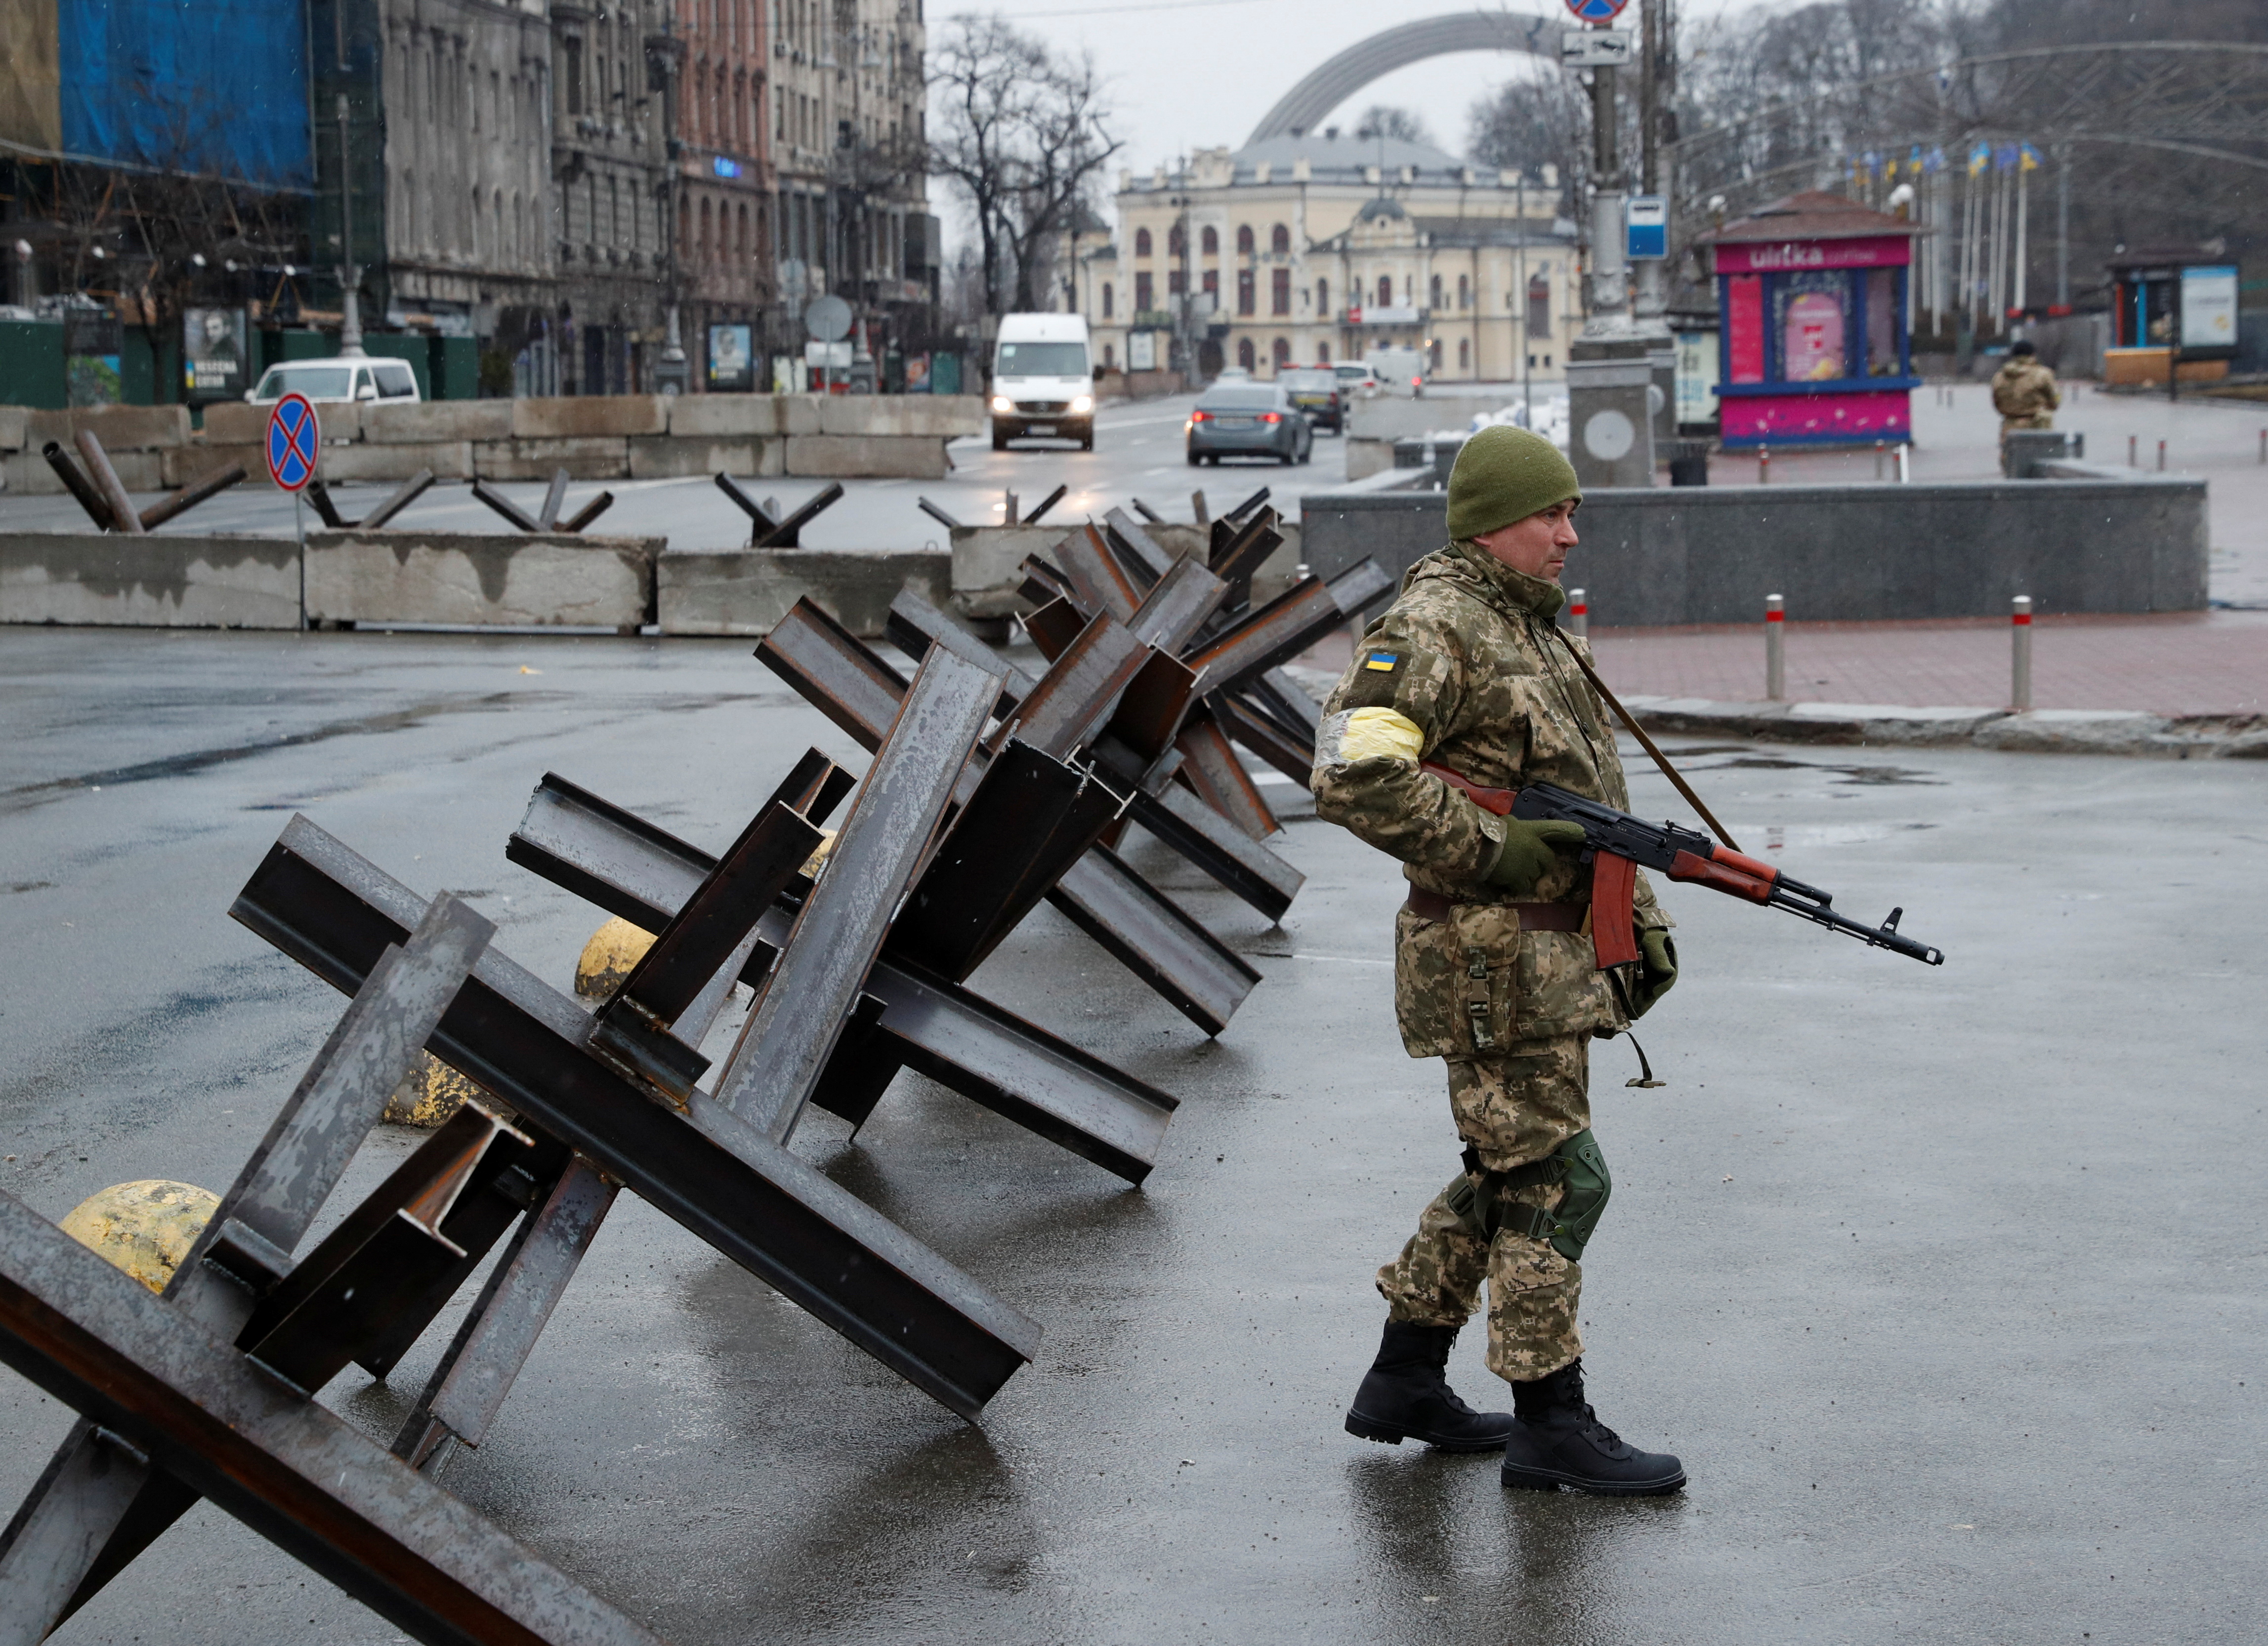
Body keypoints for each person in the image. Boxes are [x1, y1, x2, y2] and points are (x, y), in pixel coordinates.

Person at [1311, 424, 1686, 1497]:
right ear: (1491, 523)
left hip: (1539, 957)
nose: (1572, 533)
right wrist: (1491, 847)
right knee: (1560, 1178)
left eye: (1572, 512)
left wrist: (1636, 922)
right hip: (1486, 963)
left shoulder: (1524, 626)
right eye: (1552, 514)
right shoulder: (1433, 627)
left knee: (1509, 1170)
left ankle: (1404, 1378)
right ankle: (1551, 1419)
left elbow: (1584, 816)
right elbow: (1350, 771)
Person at [1991, 339, 2059, 435]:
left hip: (2010, 428)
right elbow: (2055, 399)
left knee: (2012, 450)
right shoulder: (2043, 374)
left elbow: (1997, 402)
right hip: (2038, 427)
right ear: (2033, 354)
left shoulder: (2000, 376)